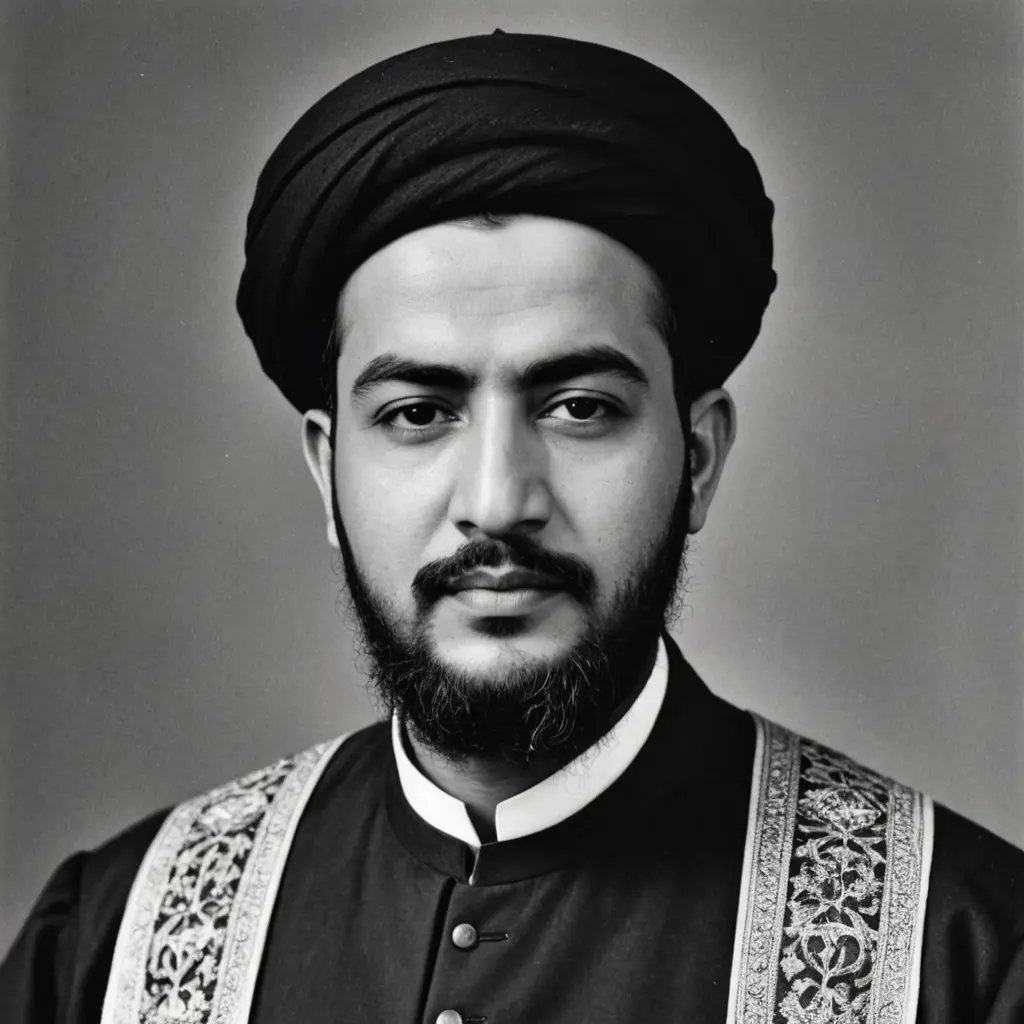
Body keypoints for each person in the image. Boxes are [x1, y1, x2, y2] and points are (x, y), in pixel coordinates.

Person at [2, 30, 1022, 1024]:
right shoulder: (112, 943)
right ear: (326, 469)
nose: (496, 501)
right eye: (418, 413)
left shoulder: (964, 956)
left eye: (578, 407)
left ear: (698, 458)